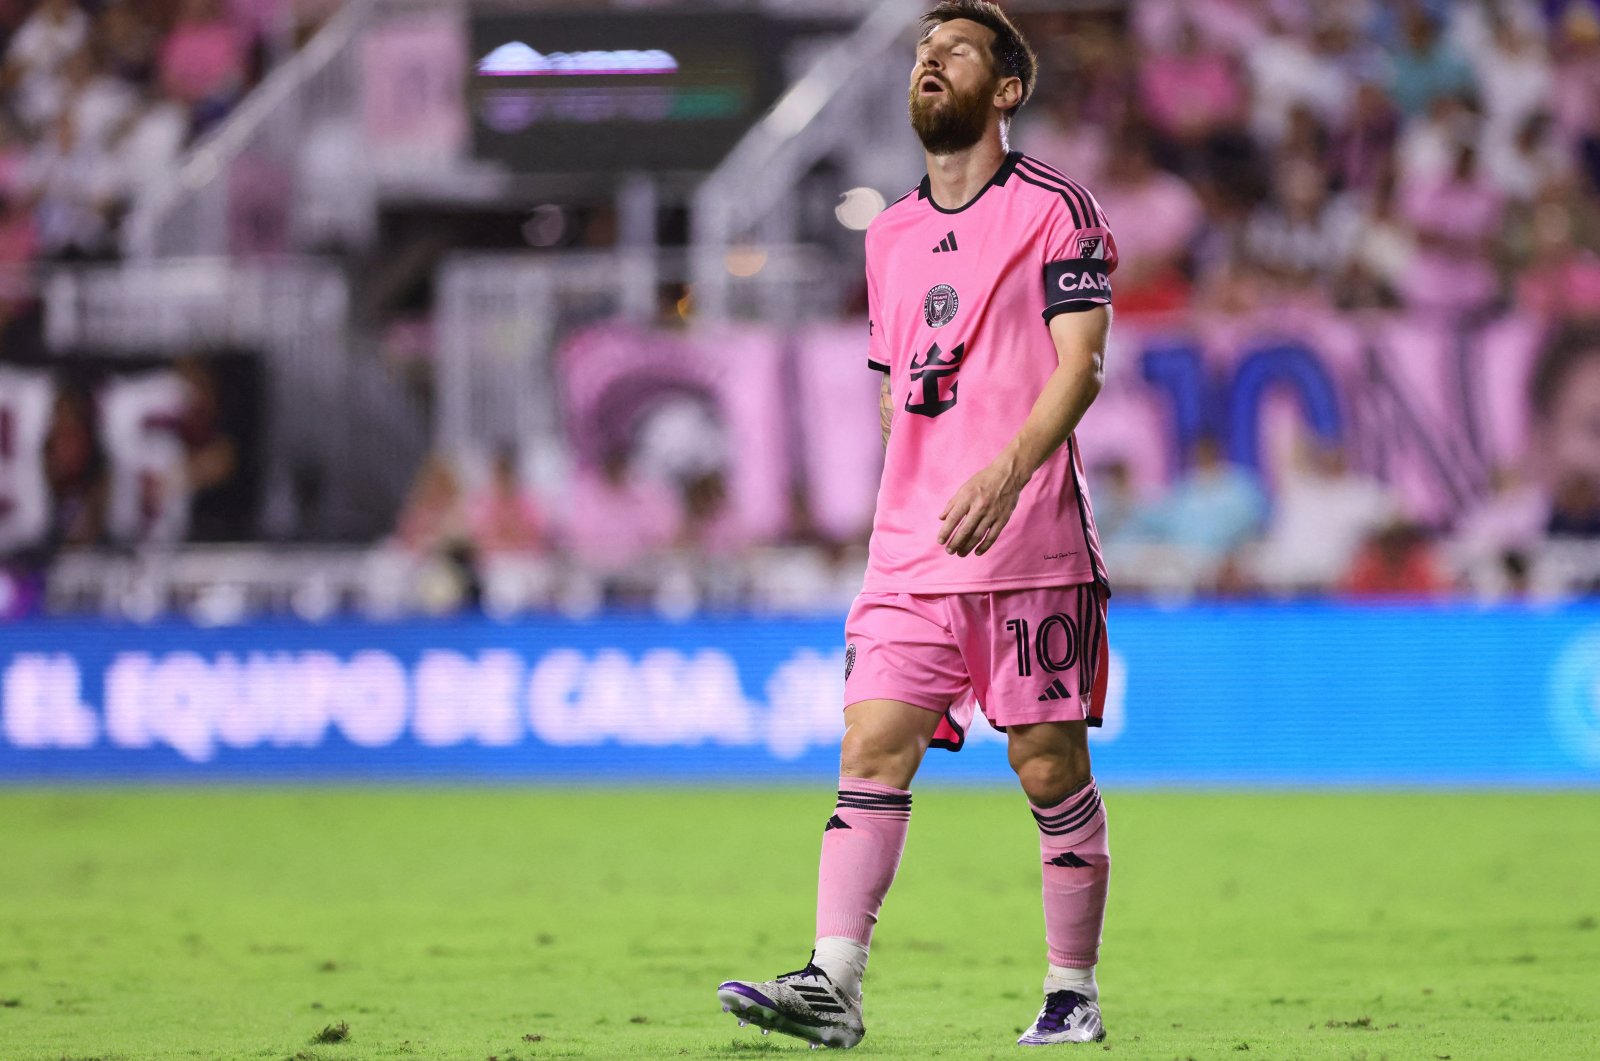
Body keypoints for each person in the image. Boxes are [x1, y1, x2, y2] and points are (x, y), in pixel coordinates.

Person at [718, 2, 1118, 1048]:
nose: (928, 62)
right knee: (872, 739)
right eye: (920, 51)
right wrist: (908, 488)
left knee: (1047, 764)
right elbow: (894, 388)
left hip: (1027, 540)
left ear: (1007, 90)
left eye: (955, 51)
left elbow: (1080, 366)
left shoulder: (1054, 207)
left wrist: (1004, 468)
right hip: (908, 550)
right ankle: (832, 981)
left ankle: (1070, 992)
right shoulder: (887, 234)